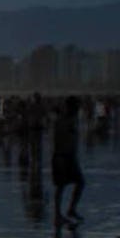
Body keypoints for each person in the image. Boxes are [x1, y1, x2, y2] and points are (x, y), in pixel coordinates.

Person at [52, 96, 84, 229]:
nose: (77, 110)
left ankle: (71, 209)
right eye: (76, 107)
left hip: (70, 157)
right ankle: (58, 214)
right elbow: (57, 140)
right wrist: (59, 157)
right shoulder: (62, 120)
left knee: (80, 182)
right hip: (62, 156)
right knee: (61, 186)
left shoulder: (73, 119)